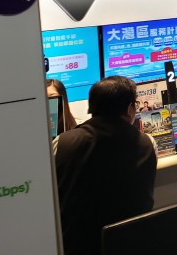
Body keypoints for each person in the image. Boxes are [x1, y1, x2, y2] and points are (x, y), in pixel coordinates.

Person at [53, 76, 157, 255]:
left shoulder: (62, 143)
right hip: (131, 245)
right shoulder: (147, 143)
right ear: (129, 108)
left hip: (75, 247)